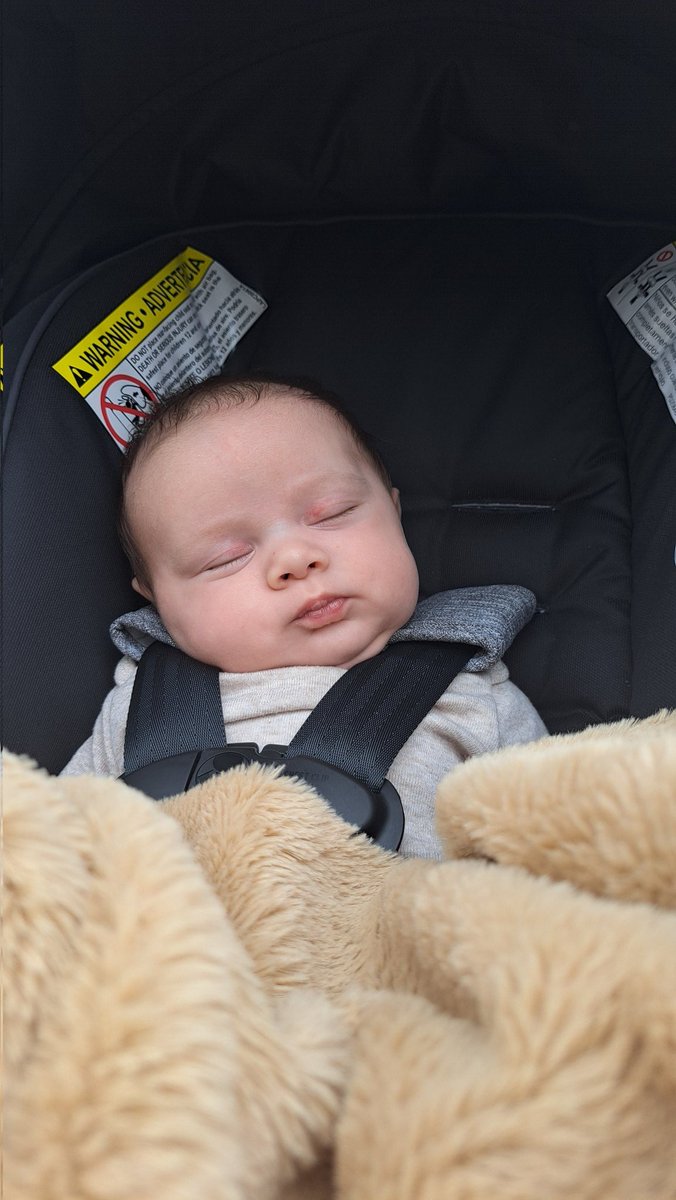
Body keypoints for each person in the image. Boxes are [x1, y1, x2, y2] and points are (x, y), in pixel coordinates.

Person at [62, 373, 547, 858]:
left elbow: (557, 840)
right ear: (156, 599)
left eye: (332, 513)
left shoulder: (474, 699)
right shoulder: (140, 705)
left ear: (394, 512)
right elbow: (48, 848)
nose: (295, 559)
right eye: (227, 558)